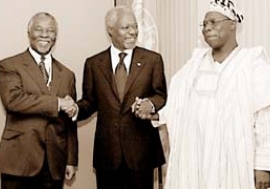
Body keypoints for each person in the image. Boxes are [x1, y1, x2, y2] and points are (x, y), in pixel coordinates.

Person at [135, 0, 270, 188]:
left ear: (233, 24)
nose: (207, 28)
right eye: (204, 24)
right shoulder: (194, 65)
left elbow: (265, 118)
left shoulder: (252, 62)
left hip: (235, 164)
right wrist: (154, 113)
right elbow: (177, 107)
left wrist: (263, 165)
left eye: (213, 22)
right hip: (196, 161)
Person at [73, 5, 167, 189]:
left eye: (135, 27)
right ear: (111, 30)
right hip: (108, 155)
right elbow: (89, 102)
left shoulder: (152, 60)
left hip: (141, 154)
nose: (133, 32)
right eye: (126, 28)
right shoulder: (93, 64)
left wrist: (150, 104)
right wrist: (75, 109)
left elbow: (161, 95)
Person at [0, 12, 78, 189]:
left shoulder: (67, 74)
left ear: (55, 36)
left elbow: (70, 123)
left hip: (54, 164)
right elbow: (13, 100)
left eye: (50, 30)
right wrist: (57, 103)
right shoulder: (9, 65)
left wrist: (71, 160)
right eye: (39, 29)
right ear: (29, 34)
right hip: (18, 162)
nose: (45, 35)